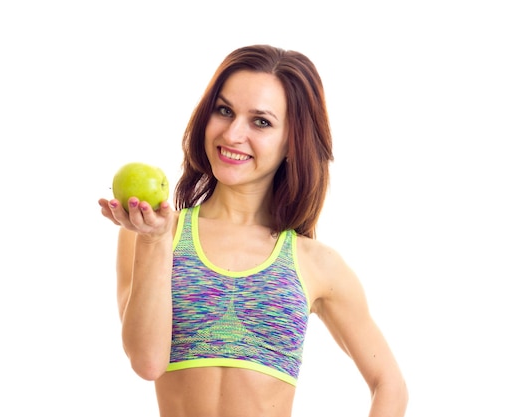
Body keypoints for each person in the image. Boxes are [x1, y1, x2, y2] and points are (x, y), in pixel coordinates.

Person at [98, 44, 408, 417]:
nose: (232, 134)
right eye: (224, 110)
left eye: (260, 121)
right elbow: (147, 362)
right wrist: (154, 240)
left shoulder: (317, 264)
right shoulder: (153, 233)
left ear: (292, 141)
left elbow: (389, 384)